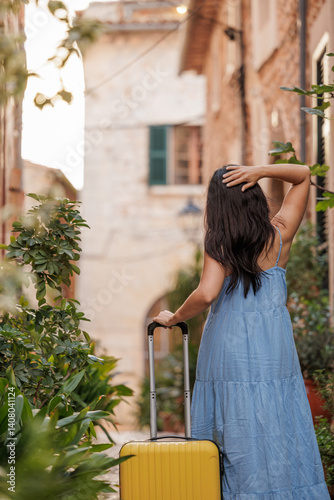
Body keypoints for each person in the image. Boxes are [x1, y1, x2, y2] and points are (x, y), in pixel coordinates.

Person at [153, 164, 331, 499]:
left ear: (216, 205)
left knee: (234, 427)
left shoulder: (219, 243)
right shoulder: (279, 233)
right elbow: (304, 173)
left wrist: (175, 317)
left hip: (229, 345)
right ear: (255, 197)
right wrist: (260, 170)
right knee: (277, 418)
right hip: (273, 345)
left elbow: (206, 293)